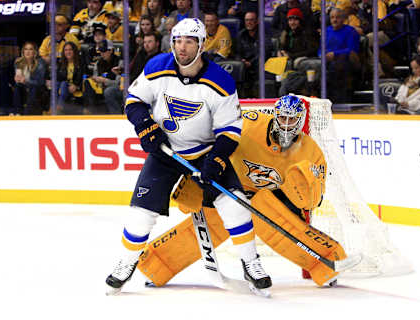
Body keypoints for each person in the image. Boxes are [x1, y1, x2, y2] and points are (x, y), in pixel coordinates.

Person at [105, 18, 272, 295]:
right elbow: (134, 101)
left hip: (206, 152)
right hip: (165, 152)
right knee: (140, 214)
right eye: (178, 41)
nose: (182, 47)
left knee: (236, 205)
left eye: (189, 41)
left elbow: (230, 130)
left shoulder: (221, 81)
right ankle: (126, 262)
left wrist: (216, 161)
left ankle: (250, 262)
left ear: (202, 44)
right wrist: (146, 127)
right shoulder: (157, 67)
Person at [136, 95, 355, 289]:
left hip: (271, 199)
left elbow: (312, 202)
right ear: (275, 115)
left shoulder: (311, 152)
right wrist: (200, 171)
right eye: (283, 118)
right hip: (231, 186)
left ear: (301, 121)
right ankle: (157, 265)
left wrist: (304, 183)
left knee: (279, 224)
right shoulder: (250, 124)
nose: (287, 125)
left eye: (292, 120)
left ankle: (325, 262)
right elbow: (214, 138)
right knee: (214, 222)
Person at [319, 7, 360, 103]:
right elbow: (320, 49)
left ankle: (337, 100)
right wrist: (321, 55)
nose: (334, 20)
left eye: (337, 17)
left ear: (343, 19)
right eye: (332, 17)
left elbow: (352, 50)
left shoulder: (350, 31)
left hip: (345, 60)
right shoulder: (326, 31)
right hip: (326, 60)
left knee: (335, 67)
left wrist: (335, 54)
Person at [236, 11, 274, 98]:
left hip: (259, 65)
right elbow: (237, 53)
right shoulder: (241, 35)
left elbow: (265, 52)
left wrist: (251, 63)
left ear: (257, 21)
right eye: (247, 20)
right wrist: (241, 61)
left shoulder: (263, 34)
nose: (249, 22)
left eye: (251, 20)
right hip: (244, 67)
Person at [83, 37, 122, 114]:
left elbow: (120, 83)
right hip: (101, 87)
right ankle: (90, 113)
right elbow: (96, 77)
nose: (102, 54)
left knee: (109, 91)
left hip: (116, 89)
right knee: (87, 83)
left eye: (104, 51)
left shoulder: (119, 62)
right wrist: (95, 80)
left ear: (111, 50)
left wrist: (105, 81)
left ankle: (116, 116)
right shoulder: (98, 63)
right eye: (100, 51)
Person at [12, 42, 47, 115]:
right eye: (26, 49)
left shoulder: (40, 63)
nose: (28, 51)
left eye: (30, 49)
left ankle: (27, 113)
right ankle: (17, 112)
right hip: (24, 89)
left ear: (35, 52)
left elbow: (40, 82)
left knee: (33, 88)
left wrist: (26, 81)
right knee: (17, 86)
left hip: (38, 90)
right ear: (23, 51)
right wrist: (17, 79)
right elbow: (18, 77)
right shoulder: (18, 62)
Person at [50, 42, 85, 114]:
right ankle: (57, 106)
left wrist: (76, 85)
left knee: (63, 84)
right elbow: (58, 78)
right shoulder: (60, 63)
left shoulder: (81, 62)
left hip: (76, 88)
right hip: (64, 87)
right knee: (60, 84)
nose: (68, 52)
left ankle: (57, 107)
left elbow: (84, 77)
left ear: (74, 51)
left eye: (70, 50)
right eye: (66, 50)